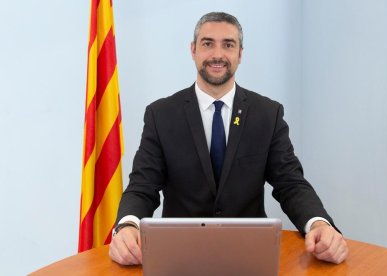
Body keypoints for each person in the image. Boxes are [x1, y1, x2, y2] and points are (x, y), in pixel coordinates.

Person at [109, 12, 348, 266]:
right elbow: (142, 186)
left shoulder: (268, 114)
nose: (217, 55)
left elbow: (290, 183)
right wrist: (127, 225)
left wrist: (318, 222)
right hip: (179, 256)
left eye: (228, 44)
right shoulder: (161, 115)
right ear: (193, 50)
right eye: (208, 43)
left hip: (250, 255)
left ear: (240, 54)